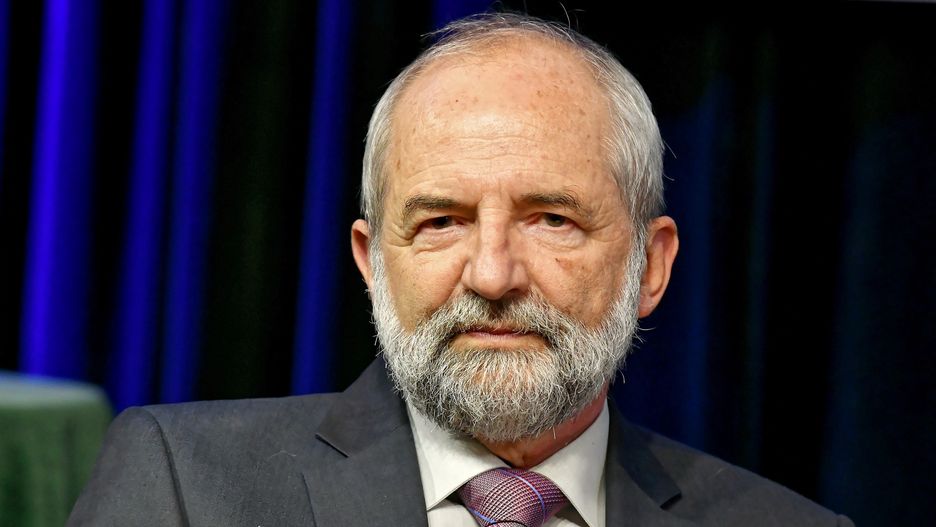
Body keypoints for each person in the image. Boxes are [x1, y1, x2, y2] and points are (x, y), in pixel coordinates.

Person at [68, 13, 853, 527]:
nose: (492, 274)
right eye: (441, 221)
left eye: (552, 219)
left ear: (651, 266)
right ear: (372, 262)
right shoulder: (186, 485)